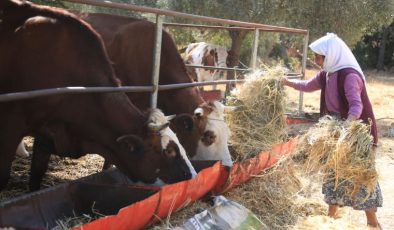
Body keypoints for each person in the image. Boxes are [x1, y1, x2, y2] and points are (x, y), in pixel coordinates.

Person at [283, 33, 382, 229]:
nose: (317, 61)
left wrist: (346, 127)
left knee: (361, 175)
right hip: (336, 129)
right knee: (333, 171)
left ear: (331, 55)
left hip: (355, 131)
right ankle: (331, 219)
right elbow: (308, 86)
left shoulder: (349, 75)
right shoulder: (328, 73)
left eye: (319, 57)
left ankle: (373, 223)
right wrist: (286, 82)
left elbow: (356, 106)